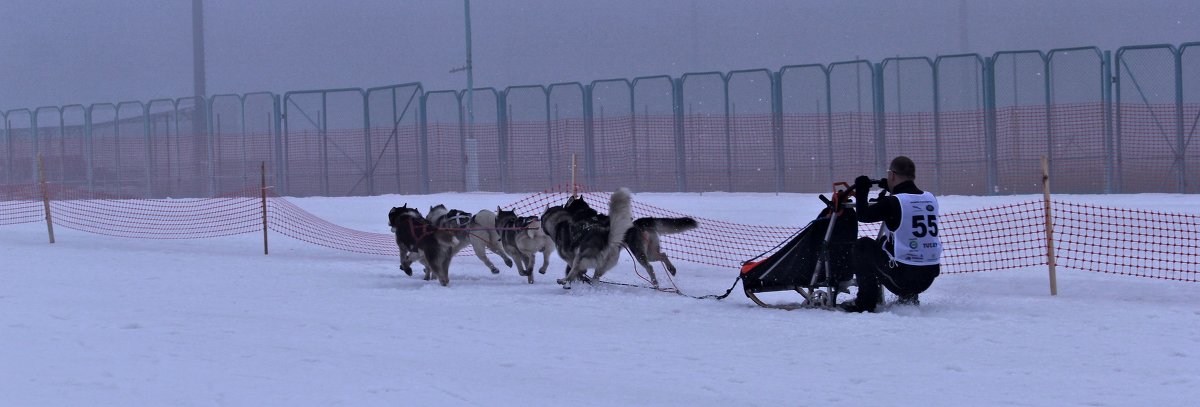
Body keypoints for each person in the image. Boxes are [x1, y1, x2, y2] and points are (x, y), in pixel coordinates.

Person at [839, 156, 941, 313]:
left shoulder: (893, 202)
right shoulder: (930, 198)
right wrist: (889, 188)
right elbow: (906, 206)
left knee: (863, 245)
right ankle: (909, 297)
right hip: (928, 276)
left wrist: (861, 189)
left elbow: (863, 215)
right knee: (887, 242)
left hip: (904, 279)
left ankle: (865, 302)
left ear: (892, 175)